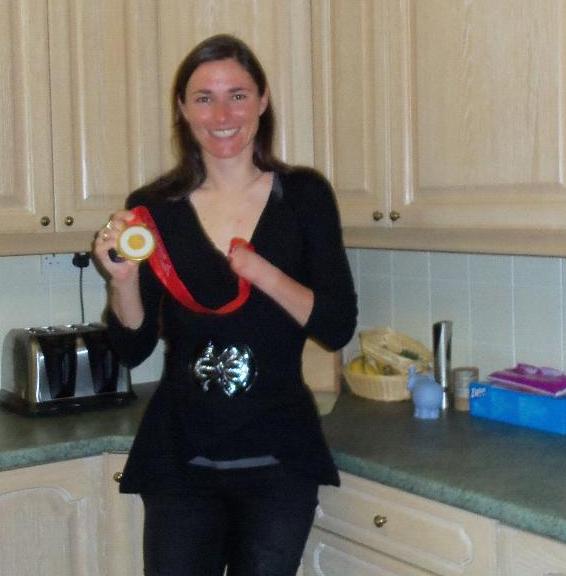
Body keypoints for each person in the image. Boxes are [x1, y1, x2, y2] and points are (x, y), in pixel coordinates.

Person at [93, 33, 357, 576]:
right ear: (183, 110)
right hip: (181, 456)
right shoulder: (154, 210)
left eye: (237, 94)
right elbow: (132, 347)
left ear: (262, 101)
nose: (222, 114)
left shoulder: (304, 195)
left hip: (278, 456)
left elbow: (336, 325)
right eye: (204, 97)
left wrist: (263, 273)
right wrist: (121, 280)